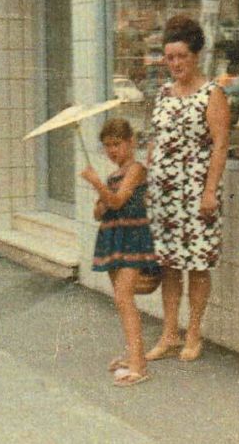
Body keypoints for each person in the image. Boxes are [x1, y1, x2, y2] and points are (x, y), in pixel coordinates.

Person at [146, 15, 230, 363]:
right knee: (168, 265)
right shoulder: (163, 94)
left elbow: (221, 145)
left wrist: (210, 192)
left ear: (196, 55)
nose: (175, 64)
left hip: (196, 194)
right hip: (164, 195)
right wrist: (148, 179)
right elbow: (156, 140)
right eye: (170, 57)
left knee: (196, 265)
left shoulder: (212, 94)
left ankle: (193, 333)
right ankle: (169, 333)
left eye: (181, 56)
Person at [80, 118, 158, 387]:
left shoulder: (136, 169)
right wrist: (101, 194)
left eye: (117, 144)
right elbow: (99, 211)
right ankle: (134, 354)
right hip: (113, 237)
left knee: (124, 297)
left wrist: (96, 185)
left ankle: (139, 365)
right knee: (121, 299)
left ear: (131, 142)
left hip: (132, 237)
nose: (112, 151)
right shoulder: (113, 175)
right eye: (107, 146)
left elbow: (117, 200)